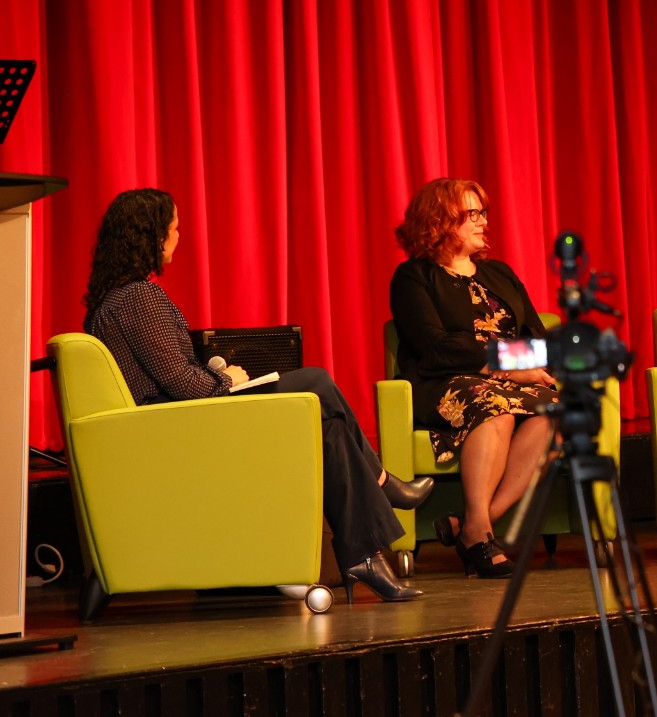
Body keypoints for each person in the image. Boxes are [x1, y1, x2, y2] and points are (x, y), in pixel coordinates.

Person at [83, 188, 429, 604]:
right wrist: (228, 378)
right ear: (152, 237)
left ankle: (365, 556)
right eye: (174, 229)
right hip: (179, 427)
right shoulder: (138, 297)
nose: (178, 237)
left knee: (332, 429)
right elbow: (182, 384)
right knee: (317, 381)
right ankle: (380, 489)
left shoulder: (114, 299)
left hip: (174, 423)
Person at [390, 178, 558, 579]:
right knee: (493, 407)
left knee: (559, 411)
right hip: (443, 381)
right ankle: (479, 533)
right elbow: (435, 346)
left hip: (511, 382)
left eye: (484, 213)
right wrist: (507, 366)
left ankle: (473, 526)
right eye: (473, 214)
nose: (484, 222)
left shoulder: (499, 273)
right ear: (441, 221)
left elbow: (536, 340)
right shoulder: (413, 277)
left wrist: (526, 369)